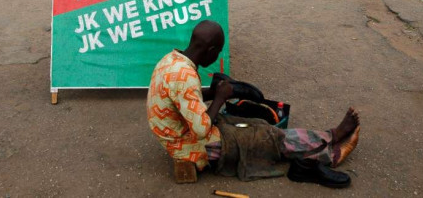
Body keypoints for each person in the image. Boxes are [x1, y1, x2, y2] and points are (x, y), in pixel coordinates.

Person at [147, 20, 361, 182]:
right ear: (211, 51)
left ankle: (322, 140)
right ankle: (330, 145)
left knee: (258, 124)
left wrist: (212, 93)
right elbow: (202, 129)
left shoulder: (172, 60)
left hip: (178, 132)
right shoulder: (185, 78)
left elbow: (181, 98)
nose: (217, 57)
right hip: (190, 144)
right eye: (218, 53)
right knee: (267, 136)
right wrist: (220, 97)